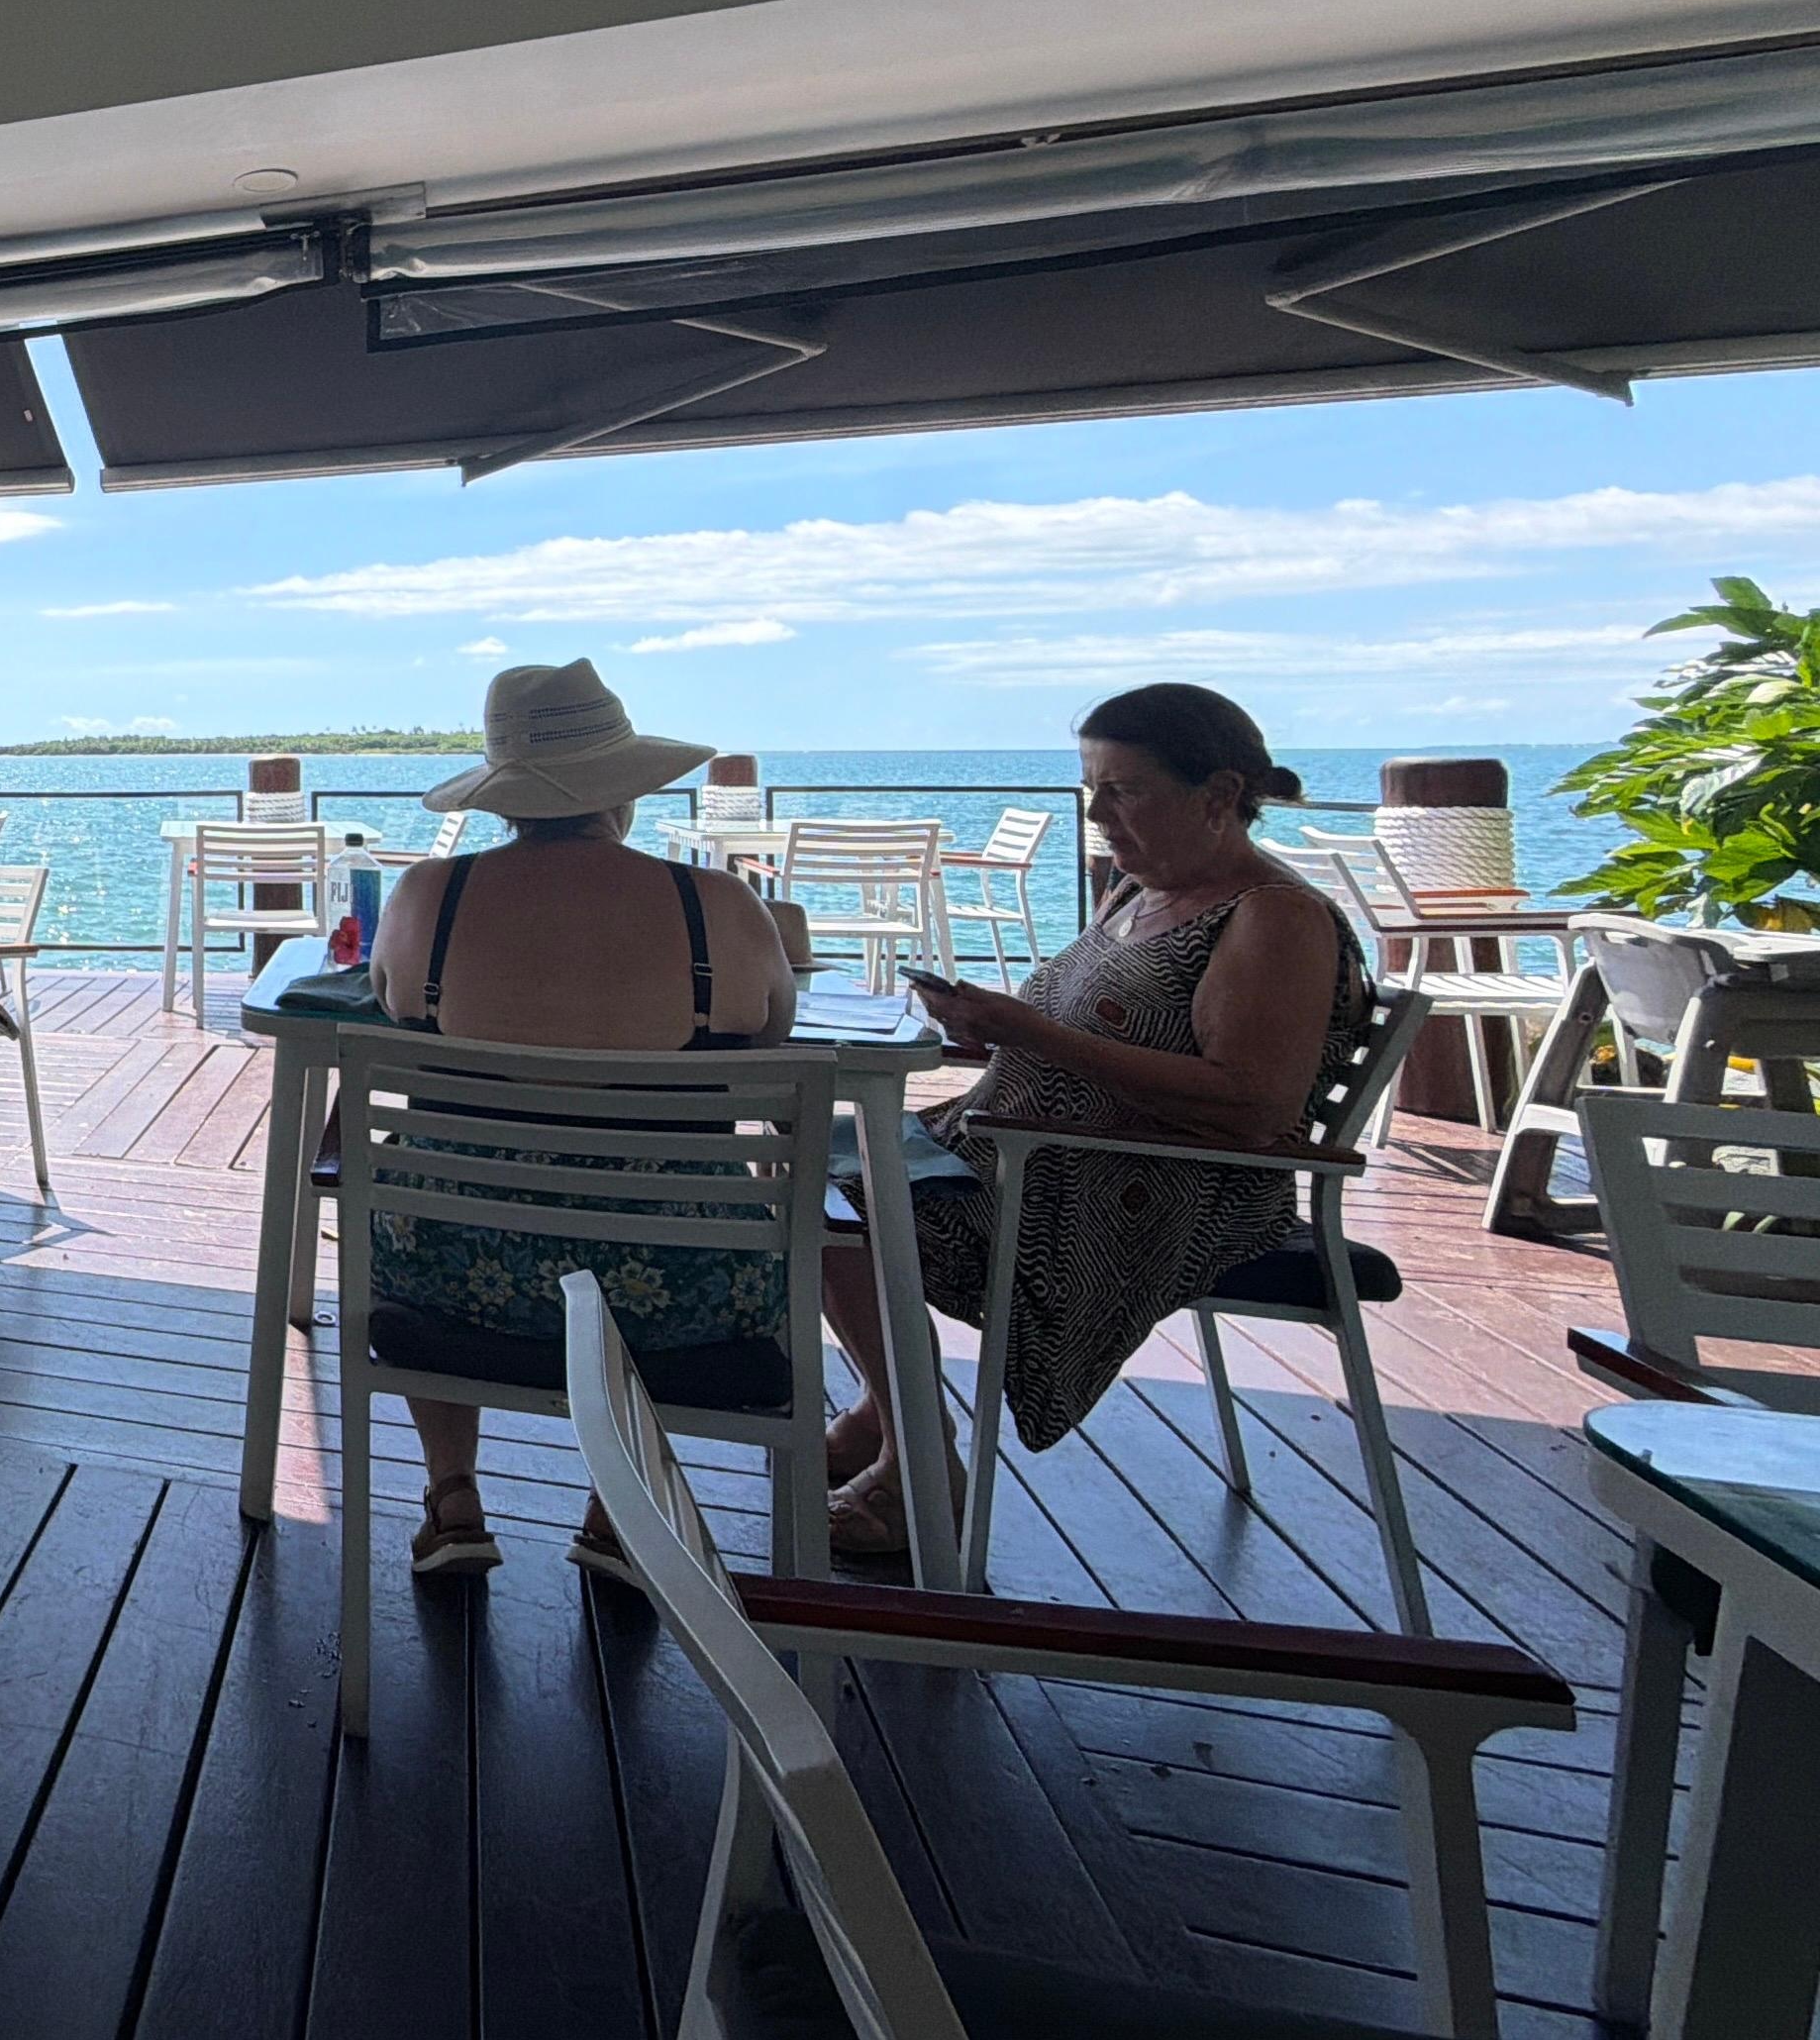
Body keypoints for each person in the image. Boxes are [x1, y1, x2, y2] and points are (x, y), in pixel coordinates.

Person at [823, 681, 1369, 1560]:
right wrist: (986, 1031)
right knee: (806, 1158)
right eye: (1092, 786)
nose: (1097, 812)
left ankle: (916, 1463)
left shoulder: (1273, 918)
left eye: (1125, 790)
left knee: (838, 1210)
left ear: (1220, 796)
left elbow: (1254, 1102)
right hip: (1031, 1153)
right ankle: (883, 1419)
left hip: (1148, 1190)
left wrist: (1024, 1032)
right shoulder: (1138, 891)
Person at [366, 661, 798, 1579]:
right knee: (689, 1218)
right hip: (680, 1289)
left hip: (449, 1277)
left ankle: (453, 1496)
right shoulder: (719, 905)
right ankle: (617, 1516)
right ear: (625, 789)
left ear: (504, 797)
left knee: (431, 1182)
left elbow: (386, 1005)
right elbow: (772, 1038)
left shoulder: (421, 899)